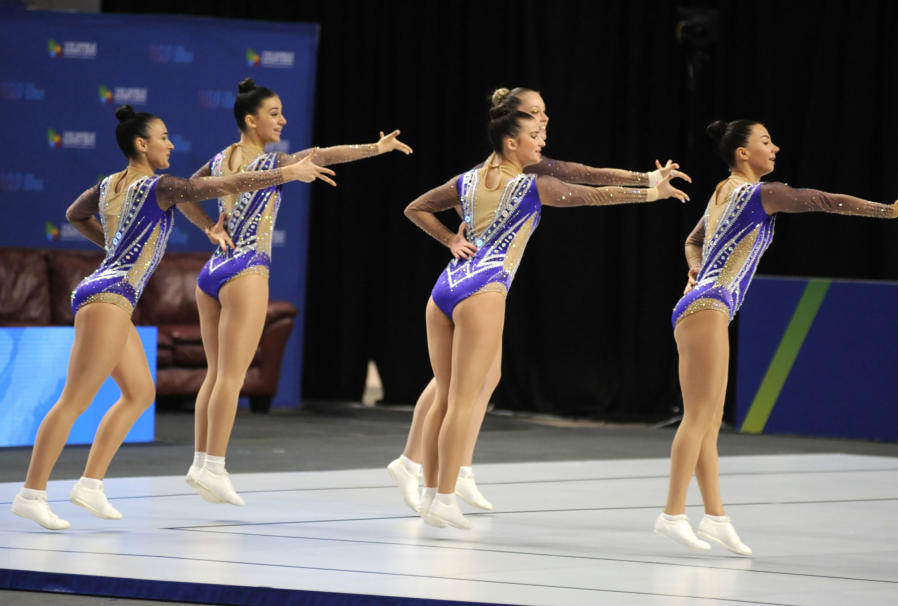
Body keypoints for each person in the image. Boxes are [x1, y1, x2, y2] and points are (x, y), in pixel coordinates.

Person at [10, 105, 333, 531]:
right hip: (108, 296)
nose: (171, 144)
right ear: (141, 144)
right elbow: (230, 182)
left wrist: (114, 247)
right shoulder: (162, 187)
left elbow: (75, 213)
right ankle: (31, 493)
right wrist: (286, 174)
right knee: (75, 400)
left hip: (110, 292)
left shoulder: (109, 185)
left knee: (140, 393)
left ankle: (90, 484)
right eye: (163, 137)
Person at [388, 86, 690, 513]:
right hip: (485, 288)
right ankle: (441, 494)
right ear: (512, 138)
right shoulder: (532, 185)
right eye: (535, 125)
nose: (543, 133)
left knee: (453, 392)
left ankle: (437, 484)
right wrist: (650, 192)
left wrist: (449, 240)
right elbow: (591, 193)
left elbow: (415, 207)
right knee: (457, 399)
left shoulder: (469, 178)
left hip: (445, 288)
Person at [654, 119, 898, 555]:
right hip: (708, 306)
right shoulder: (760, 194)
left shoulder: (720, 192)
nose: (776, 147)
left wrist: (696, 268)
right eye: (766, 142)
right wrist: (887, 210)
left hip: (706, 304)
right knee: (697, 420)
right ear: (742, 152)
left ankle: (715, 518)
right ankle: (672, 514)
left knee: (708, 423)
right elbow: (823, 200)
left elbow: (692, 240)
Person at [185, 78, 412, 506]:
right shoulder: (267, 164)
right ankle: (214, 465)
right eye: (274, 114)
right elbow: (287, 168)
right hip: (246, 269)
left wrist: (373, 148)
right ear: (250, 120)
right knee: (230, 377)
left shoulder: (220, 159)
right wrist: (293, 171)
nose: (282, 120)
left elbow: (186, 192)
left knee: (216, 375)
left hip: (213, 273)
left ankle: (201, 463)